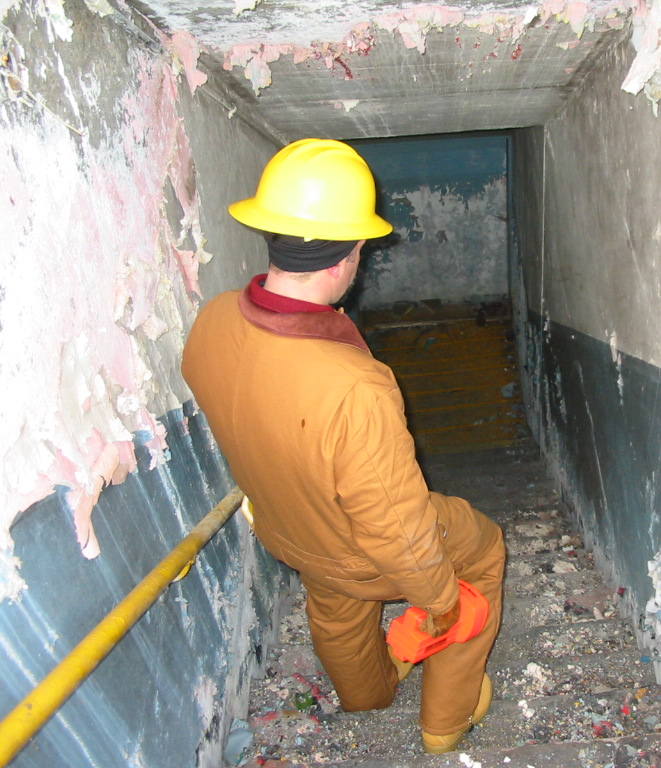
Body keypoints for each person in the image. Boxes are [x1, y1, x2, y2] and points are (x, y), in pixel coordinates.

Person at [181, 138, 505, 754]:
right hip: (363, 549)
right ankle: (447, 719)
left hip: (295, 533)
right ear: (347, 256)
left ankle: (367, 694)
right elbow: (396, 528)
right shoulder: (355, 386)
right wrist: (440, 603)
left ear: (272, 232)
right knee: (483, 549)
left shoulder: (213, 321)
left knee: (335, 598)